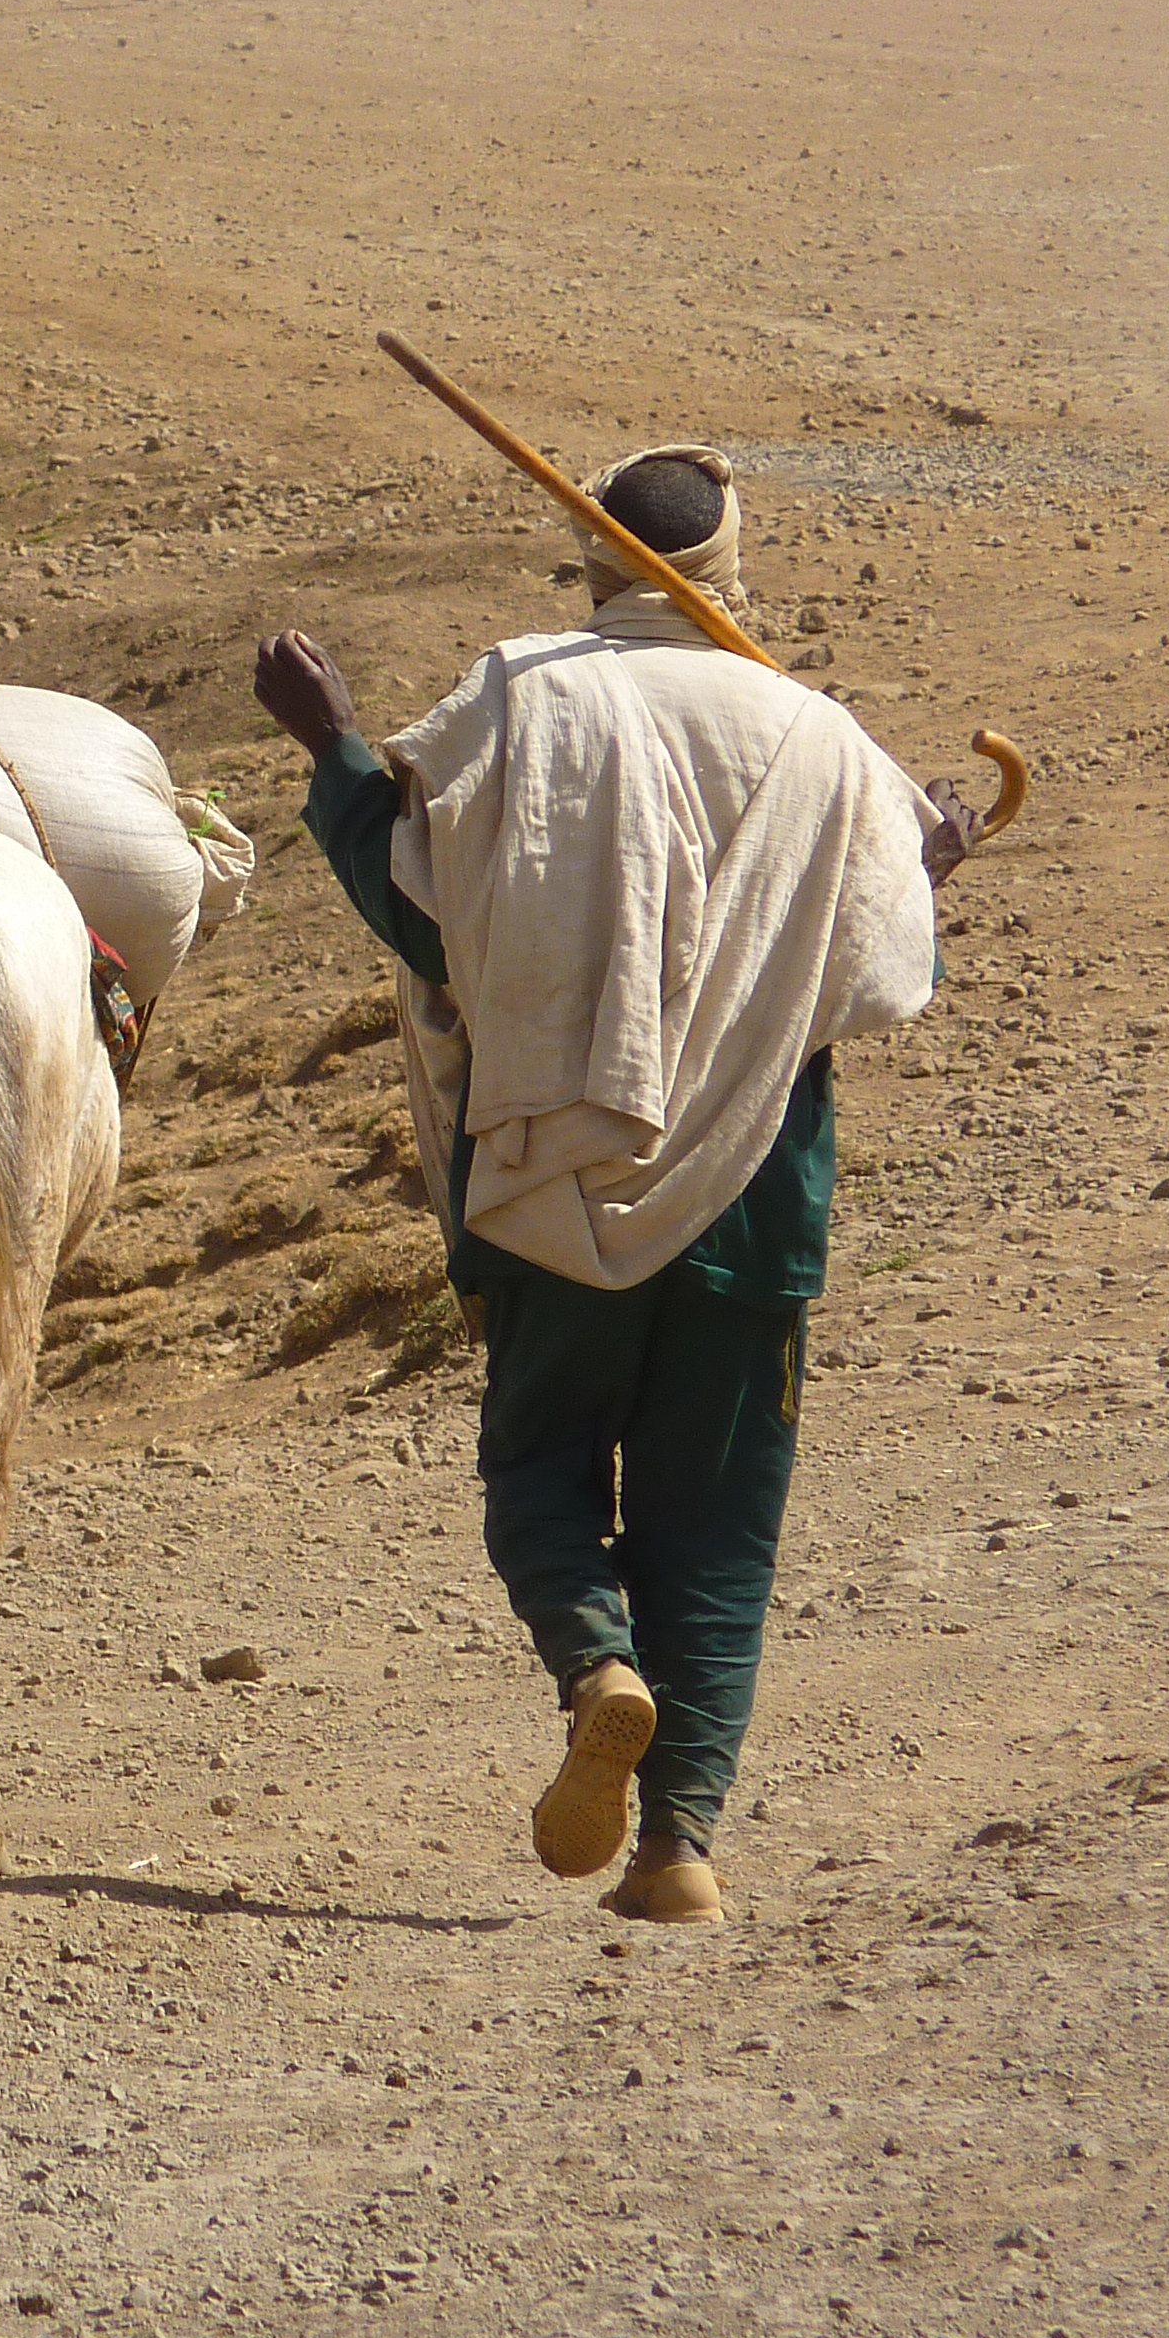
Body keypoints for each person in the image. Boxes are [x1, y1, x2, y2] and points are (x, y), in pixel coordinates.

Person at [253, 448, 972, 1925]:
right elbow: (876, 973)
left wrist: (332, 745)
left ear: (588, 565)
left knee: (539, 1467)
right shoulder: (822, 739)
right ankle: (679, 1848)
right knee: (719, 1531)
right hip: (753, 1203)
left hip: (549, 1182)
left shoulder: (519, 700)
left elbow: (422, 918)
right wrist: (924, 865)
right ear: (730, 573)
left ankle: (596, 1667)